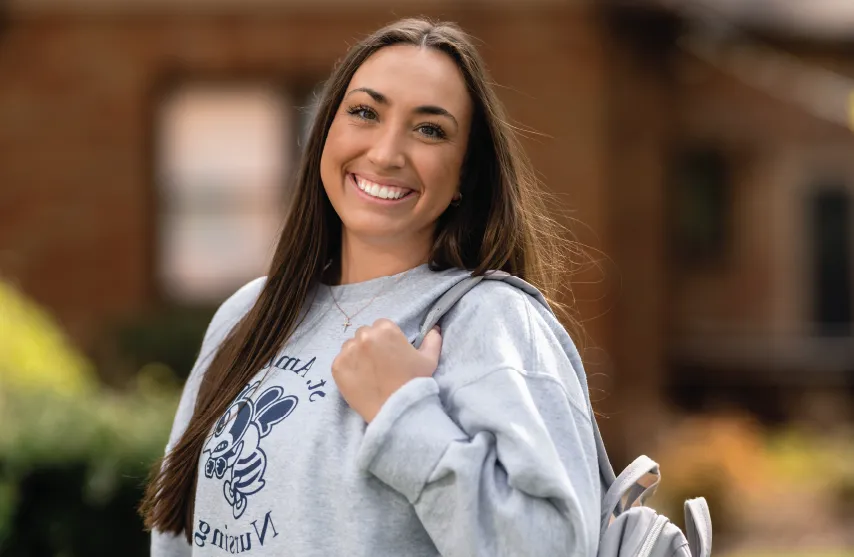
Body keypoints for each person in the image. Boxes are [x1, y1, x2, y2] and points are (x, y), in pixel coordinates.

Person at [142, 17, 601, 557]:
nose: (386, 153)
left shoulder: (489, 321)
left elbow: (553, 547)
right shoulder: (249, 314)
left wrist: (405, 415)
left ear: (465, 177)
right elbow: (177, 537)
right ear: (324, 135)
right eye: (364, 113)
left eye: (430, 129)